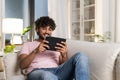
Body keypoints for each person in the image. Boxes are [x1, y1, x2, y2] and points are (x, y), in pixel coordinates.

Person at [19, 16, 90, 80]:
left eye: (49, 29)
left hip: (58, 71)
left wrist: (64, 55)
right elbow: (22, 65)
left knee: (81, 56)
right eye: (44, 29)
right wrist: (36, 51)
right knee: (47, 75)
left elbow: (62, 64)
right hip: (37, 72)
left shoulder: (56, 44)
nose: (47, 32)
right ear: (37, 29)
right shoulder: (28, 44)